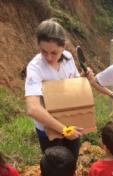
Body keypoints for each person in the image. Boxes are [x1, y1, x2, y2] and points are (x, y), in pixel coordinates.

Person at [25, 18, 93, 160]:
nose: (49, 57)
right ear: (38, 45)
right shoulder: (35, 68)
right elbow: (33, 108)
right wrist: (63, 129)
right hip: (49, 129)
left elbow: (72, 85)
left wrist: (83, 77)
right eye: (44, 52)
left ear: (64, 46)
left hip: (71, 122)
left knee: (71, 161)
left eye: (54, 52)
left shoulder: (68, 58)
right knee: (55, 168)